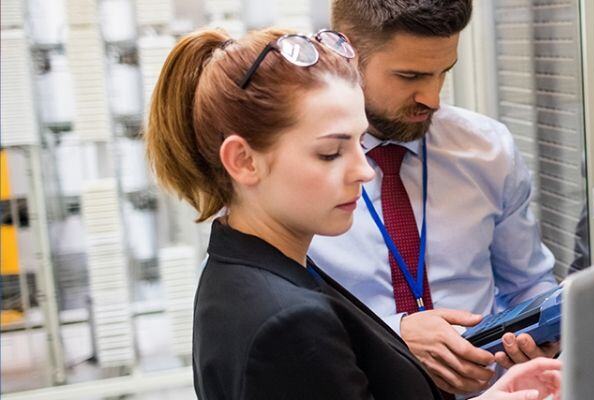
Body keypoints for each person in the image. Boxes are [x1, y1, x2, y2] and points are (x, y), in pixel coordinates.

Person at [144, 27, 561, 400]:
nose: (364, 170)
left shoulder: (255, 267)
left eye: (360, 143)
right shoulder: (289, 324)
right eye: (330, 152)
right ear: (244, 161)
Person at [308, 1, 561, 394]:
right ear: (346, 54)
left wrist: (539, 337)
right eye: (410, 76)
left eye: (444, 73)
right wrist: (390, 336)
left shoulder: (488, 150)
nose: (433, 98)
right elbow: (270, 317)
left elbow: (528, 282)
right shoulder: (292, 174)